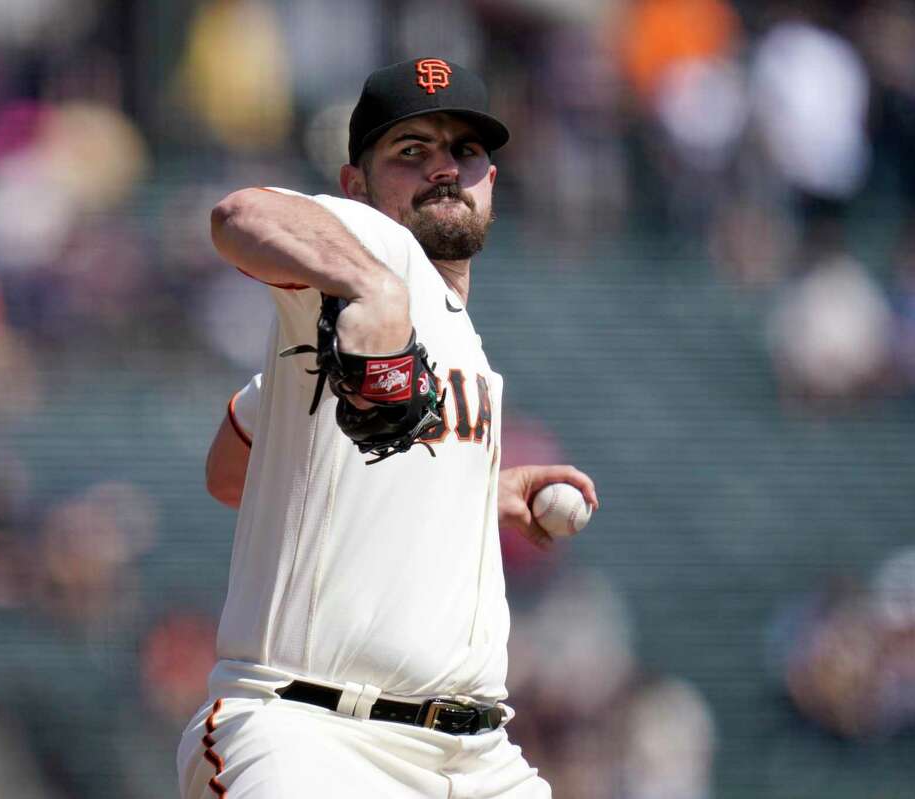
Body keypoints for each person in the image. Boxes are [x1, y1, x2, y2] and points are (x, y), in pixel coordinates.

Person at [178, 57, 599, 798]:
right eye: (411, 152)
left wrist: (474, 490)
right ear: (355, 187)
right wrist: (369, 283)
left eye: (465, 151)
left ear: (490, 183)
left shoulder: (452, 340)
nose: (444, 168)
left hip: (475, 758)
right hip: (315, 737)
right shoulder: (374, 258)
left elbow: (228, 472)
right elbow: (241, 214)